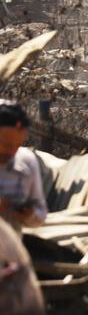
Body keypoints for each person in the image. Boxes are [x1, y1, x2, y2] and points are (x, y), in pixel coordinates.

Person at [0, 101, 47, 235]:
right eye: (6, 144)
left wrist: (30, 215)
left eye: (17, 145)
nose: (11, 152)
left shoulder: (27, 162)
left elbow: (41, 215)